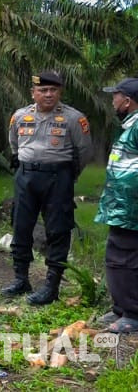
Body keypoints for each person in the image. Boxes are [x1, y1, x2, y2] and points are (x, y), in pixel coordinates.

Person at [1, 71, 93, 305]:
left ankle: (51, 286)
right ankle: (21, 279)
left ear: (60, 92)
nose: (48, 94)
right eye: (43, 90)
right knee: (21, 225)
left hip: (58, 178)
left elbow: (84, 152)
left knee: (58, 230)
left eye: (53, 90)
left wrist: (68, 174)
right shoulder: (20, 116)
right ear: (33, 93)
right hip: (26, 176)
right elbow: (14, 144)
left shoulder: (74, 118)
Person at [96, 77, 138, 332]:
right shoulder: (130, 125)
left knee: (124, 257)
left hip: (131, 206)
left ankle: (132, 313)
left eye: (116, 96)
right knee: (119, 255)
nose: (113, 100)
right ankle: (121, 308)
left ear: (127, 100)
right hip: (122, 204)